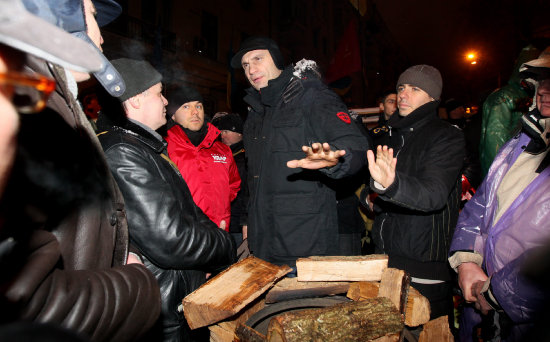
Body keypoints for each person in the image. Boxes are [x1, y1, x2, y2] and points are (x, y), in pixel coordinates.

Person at [0, 0, 161, 341]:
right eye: (90, 14)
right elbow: (26, 301)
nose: (101, 37)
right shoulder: (23, 100)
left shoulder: (55, 102)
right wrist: (137, 286)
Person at [98, 57, 236, 342]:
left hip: (176, 293)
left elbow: (188, 212)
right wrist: (226, 246)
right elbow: (171, 239)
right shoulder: (124, 153)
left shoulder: (144, 147)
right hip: (164, 304)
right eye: (158, 93)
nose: (165, 102)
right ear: (135, 100)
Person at [230, 36, 368, 269]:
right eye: (245, 65)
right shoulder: (255, 112)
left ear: (276, 59)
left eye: (257, 59)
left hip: (305, 247)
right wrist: (247, 220)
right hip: (263, 245)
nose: (251, 69)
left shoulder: (310, 96)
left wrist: (336, 160)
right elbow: (252, 178)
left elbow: (356, 144)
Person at [449, 49, 550, 342]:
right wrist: (467, 261)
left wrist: (499, 292)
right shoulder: (520, 141)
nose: (544, 89)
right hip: (488, 306)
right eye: (542, 79)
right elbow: (481, 205)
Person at [367, 65, 465, 322]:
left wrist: (391, 186)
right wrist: (371, 197)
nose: (403, 94)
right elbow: (377, 189)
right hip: (385, 257)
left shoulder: (445, 137)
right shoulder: (390, 136)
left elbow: (433, 194)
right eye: (401, 88)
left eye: (415, 89)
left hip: (423, 265)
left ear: (432, 98)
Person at [165, 87, 240, 230]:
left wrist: (219, 208)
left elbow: (234, 185)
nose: (195, 112)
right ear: (173, 115)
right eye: (186, 106)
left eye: (198, 106)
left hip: (220, 231)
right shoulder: (163, 148)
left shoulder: (223, 150)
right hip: (182, 236)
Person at [479, 45, 540, 176]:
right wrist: (500, 178)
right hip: (510, 176)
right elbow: (494, 141)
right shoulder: (505, 97)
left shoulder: (538, 97)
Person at [211, 112, 248, 245]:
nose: (222, 135)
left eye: (226, 131)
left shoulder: (245, 157)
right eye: (221, 131)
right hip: (223, 221)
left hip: (238, 223)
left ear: (239, 133)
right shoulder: (219, 153)